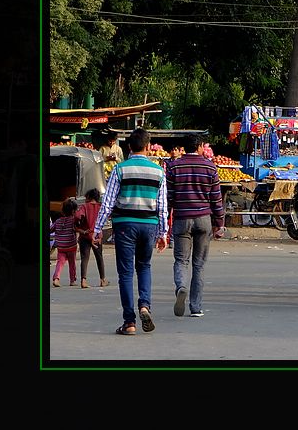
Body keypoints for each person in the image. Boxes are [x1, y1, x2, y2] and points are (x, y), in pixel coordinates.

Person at [93, 127, 169, 336]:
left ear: (128, 147)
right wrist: (163, 233)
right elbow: (162, 206)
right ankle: (145, 305)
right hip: (149, 225)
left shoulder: (120, 169)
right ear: (147, 147)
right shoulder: (158, 171)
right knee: (144, 267)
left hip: (124, 225)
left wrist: (97, 228)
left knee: (125, 273)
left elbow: (107, 203)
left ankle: (129, 322)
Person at [165, 133, 224, 318]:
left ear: (183, 148)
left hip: (182, 218)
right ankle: (196, 307)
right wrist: (219, 222)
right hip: (203, 219)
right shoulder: (210, 167)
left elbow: (168, 197)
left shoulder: (173, 166)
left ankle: (181, 286)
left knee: (181, 260)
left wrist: (164, 221)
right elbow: (216, 199)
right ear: (199, 147)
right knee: (199, 264)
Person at [74, 188, 108, 288]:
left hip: (85, 235)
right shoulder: (100, 207)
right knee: (99, 257)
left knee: (85, 258)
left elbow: (77, 216)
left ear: (88, 197)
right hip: (97, 236)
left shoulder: (84, 206)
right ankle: (102, 280)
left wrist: (79, 223)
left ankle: (83, 281)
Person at [51, 198, 79, 287]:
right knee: (72, 263)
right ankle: (72, 280)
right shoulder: (73, 220)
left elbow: (50, 229)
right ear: (74, 210)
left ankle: (56, 278)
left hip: (61, 247)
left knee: (60, 262)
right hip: (71, 246)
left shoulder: (58, 221)